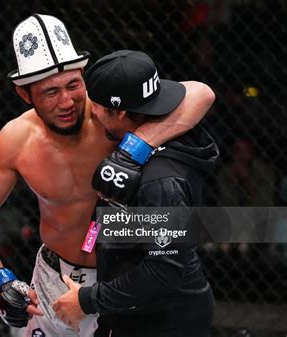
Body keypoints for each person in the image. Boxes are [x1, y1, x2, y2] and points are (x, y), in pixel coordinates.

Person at [0, 14, 215, 337]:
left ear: (84, 74)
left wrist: (133, 149)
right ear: (25, 94)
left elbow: (201, 94)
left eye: (73, 85)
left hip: (122, 280)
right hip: (55, 276)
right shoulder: (16, 139)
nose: (67, 102)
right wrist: (1, 279)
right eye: (50, 92)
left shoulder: (112, 113)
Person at [52, 50, 219, 337]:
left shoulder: (160, 181)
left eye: (99, 106)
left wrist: (88, 300)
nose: (92, 111)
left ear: (121, 112)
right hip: (137, 312)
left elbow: (164, 269)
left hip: (166, 323)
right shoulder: (168, 129)